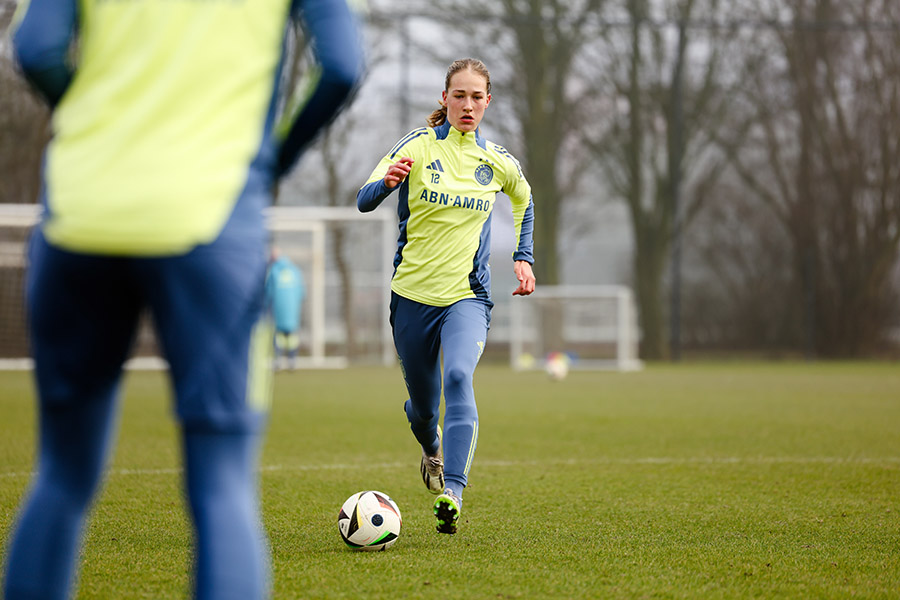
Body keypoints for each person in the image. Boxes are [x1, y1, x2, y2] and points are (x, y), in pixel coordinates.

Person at [4, 0, 363, 598]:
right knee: (222, 484)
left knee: (62, 475)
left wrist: (98, 127)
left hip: (80, 215)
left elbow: (36, 47)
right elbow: (343, 67)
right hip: (212, 219)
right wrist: (276, 157)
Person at [357, 58, 536, 534]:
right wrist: (387, 182)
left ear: (488, 103)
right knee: (422, 410)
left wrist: (523, 255)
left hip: (467, 297)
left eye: (477, 97)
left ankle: (452, 492)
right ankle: (431, 449)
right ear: (445, 99)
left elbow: (523, 196)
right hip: (411, 298)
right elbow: (363, 197)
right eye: (459, 95)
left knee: (458, 375)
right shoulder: (416, 146)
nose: (468, 105)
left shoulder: (497, 160)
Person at [265, 250, 306, 369]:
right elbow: (302, 292)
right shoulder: (295, 271)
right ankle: (292, 360)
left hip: (277, 307)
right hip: (293, 308)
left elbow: (268, 292)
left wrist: (265, 305)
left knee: (278, 335)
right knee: (292, 334)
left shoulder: (273, 271)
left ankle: (277, 360)